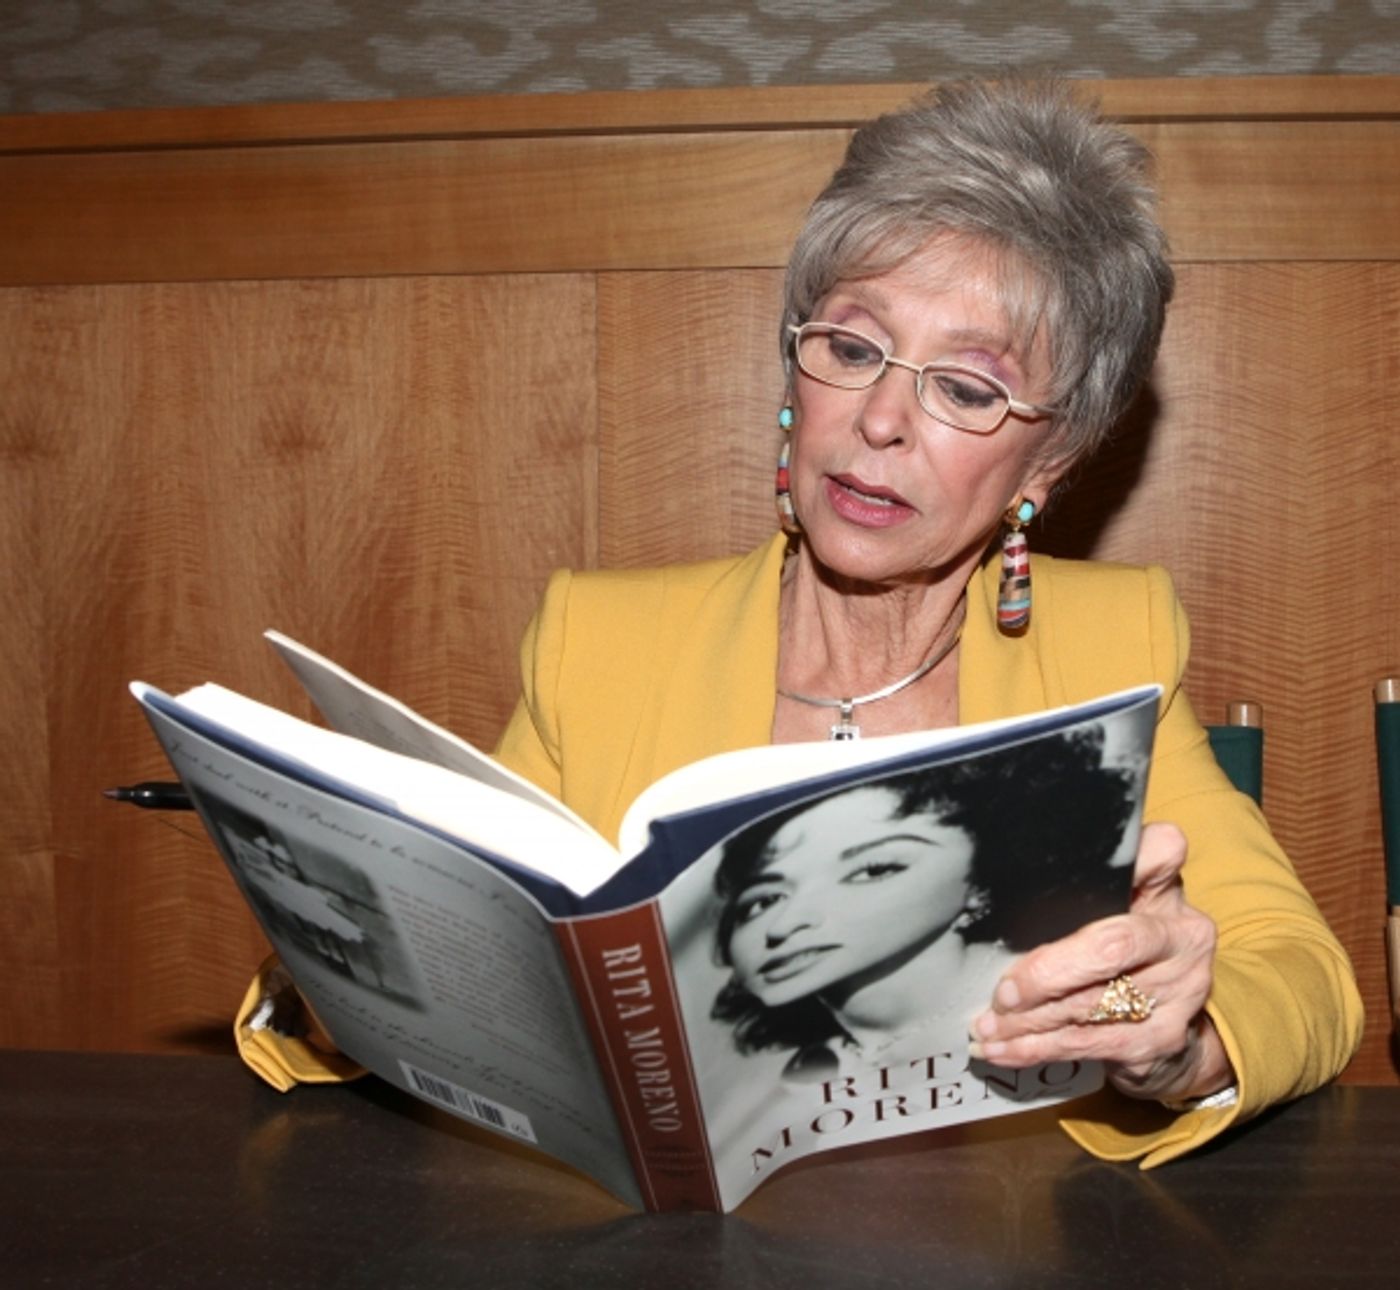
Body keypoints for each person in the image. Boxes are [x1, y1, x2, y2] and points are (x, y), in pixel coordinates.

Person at [240, 75, 1362, 1165]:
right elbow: (451, 951)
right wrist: (349, 946)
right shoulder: (600, 646)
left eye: (965, 389)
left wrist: (1173, 1045)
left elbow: (1303, 978)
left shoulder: (1109, 646)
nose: (878, 420)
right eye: (852, 347)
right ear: (795, 374)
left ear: (1050, 460)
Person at [708, 733, 1136, 1080]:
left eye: (874, 869)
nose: (785, 923)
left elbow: (1153, 1043)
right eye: (764, 899)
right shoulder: (796, 1069)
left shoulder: (1070, 990)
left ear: (983, 877)